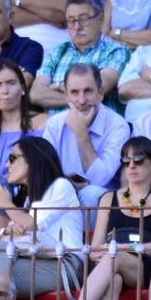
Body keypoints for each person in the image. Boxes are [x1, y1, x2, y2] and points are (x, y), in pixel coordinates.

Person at [0, 136, 84, 300]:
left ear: (33, 158)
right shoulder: (30, 199)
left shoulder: (61, 186)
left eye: (12, 158)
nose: (7, 165)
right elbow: (15, 230)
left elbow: (30, 225)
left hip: (65, 263)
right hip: (38, 259)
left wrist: (6, 203)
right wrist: (9, 230)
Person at [40, 63, 130, 207]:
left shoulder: (118, 126)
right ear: (67, 96)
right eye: (74, 92)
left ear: (101, 93)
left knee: (90, 193)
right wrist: (68, 185)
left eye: (88, 91)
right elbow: (42, 172)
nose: (81, 101)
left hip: (105, 204)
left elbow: (100, 179)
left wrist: (80, 131)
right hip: (63, 195)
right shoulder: (55, 124)